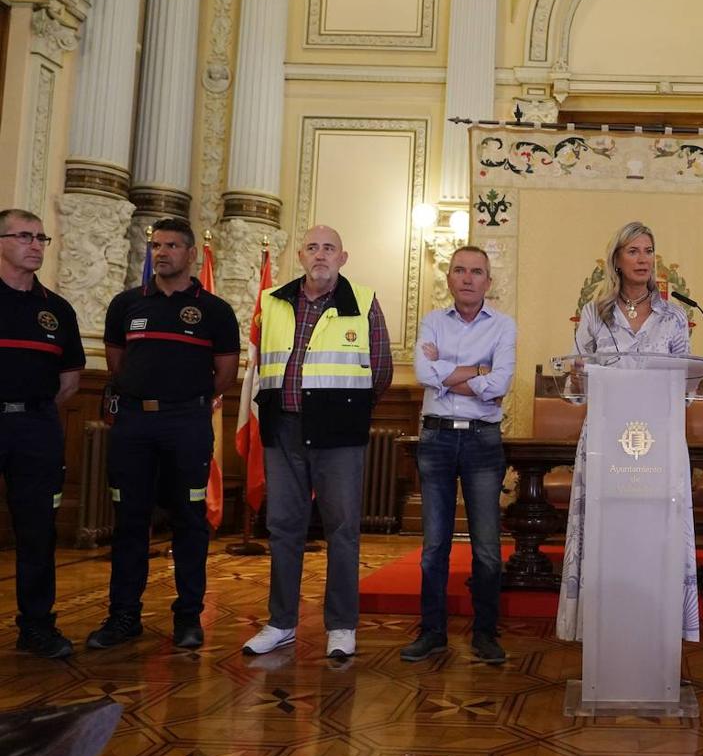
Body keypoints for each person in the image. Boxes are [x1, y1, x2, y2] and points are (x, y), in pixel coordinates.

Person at [242, 225, 393, 659]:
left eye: (329, 248)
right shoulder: (273, 302)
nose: (320, 255)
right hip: (281, 429)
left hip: (338, 432)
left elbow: (380, 372)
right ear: (301, 256)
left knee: (342, 530)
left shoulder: (362, 301)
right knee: (283, 528)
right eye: (312, 248)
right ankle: (281, 622)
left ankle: (342, 626)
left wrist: (346, 409)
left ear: (343, 258)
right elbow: (263, 364)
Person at [89, 218, 240, 650]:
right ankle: (123, 617)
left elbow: (225, 373)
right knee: (130, 521)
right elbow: (117, 361)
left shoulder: (214, 311)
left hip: (187, 425)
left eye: (172, 245)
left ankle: (188, 618)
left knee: (190, 521)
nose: (162, 252)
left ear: (191, 253)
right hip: (134, 425)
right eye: (157, 245)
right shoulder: (127, 304)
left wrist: (182, 402)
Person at [555, 221, 699, 643]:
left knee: (653, 527)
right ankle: (603, 621)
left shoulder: (674, 316)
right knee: (605, 525)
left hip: (658, 442)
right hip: (605, 440)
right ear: (616, 258)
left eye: (648, 251)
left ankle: (656, 618)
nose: (642, 259)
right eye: (633, 251)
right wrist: (580, 375)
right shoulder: (594, 315)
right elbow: (577, 387)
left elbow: (683, 386)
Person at [401, 246, 516, 664]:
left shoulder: (504, 326)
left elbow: (500, 381)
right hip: (437, 439)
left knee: (486, 544)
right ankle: (433, 632)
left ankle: (485, 633)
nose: (468, 278)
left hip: (483, 441)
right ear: (449, 278)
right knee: (434, 545)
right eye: (460, 271)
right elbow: (421, 373)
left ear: (489, 281)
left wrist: (448, 371)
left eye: (477, 272)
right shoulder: (432, 321)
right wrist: (477, 370)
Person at [0, 209, 84, 658]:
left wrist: (28, 413)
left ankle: (36, 626)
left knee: (37, 532)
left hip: (35, 428)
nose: (35, 244)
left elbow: (70, 382)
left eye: (41, 237)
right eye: (24, 236)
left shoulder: (57, 309)